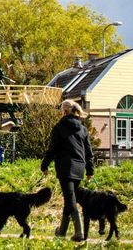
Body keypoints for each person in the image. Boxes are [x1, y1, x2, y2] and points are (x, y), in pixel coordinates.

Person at [40, 99, 94, 241]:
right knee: (70, 199)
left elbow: (52, 149)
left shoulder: (59, 127)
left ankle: (79, 233)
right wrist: (90, 171)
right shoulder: (83, 129)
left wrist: (44, 165)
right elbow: (88, 152)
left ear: (64, 111)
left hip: (65, 168)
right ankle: (62, 231)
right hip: (79, 168)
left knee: (70, 199)